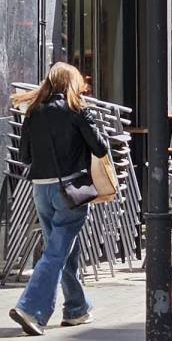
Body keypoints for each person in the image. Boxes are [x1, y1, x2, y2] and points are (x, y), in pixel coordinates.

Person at [9, 63, 109, 336]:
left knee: (63, 248)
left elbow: (25, 157)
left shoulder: (34, 111)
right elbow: (100, 148)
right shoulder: (76, 109)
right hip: (71, 189)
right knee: (56, 252)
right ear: (71, 83)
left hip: (41, 189)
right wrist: (88, 119)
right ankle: (32, 309)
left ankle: (77, 309)